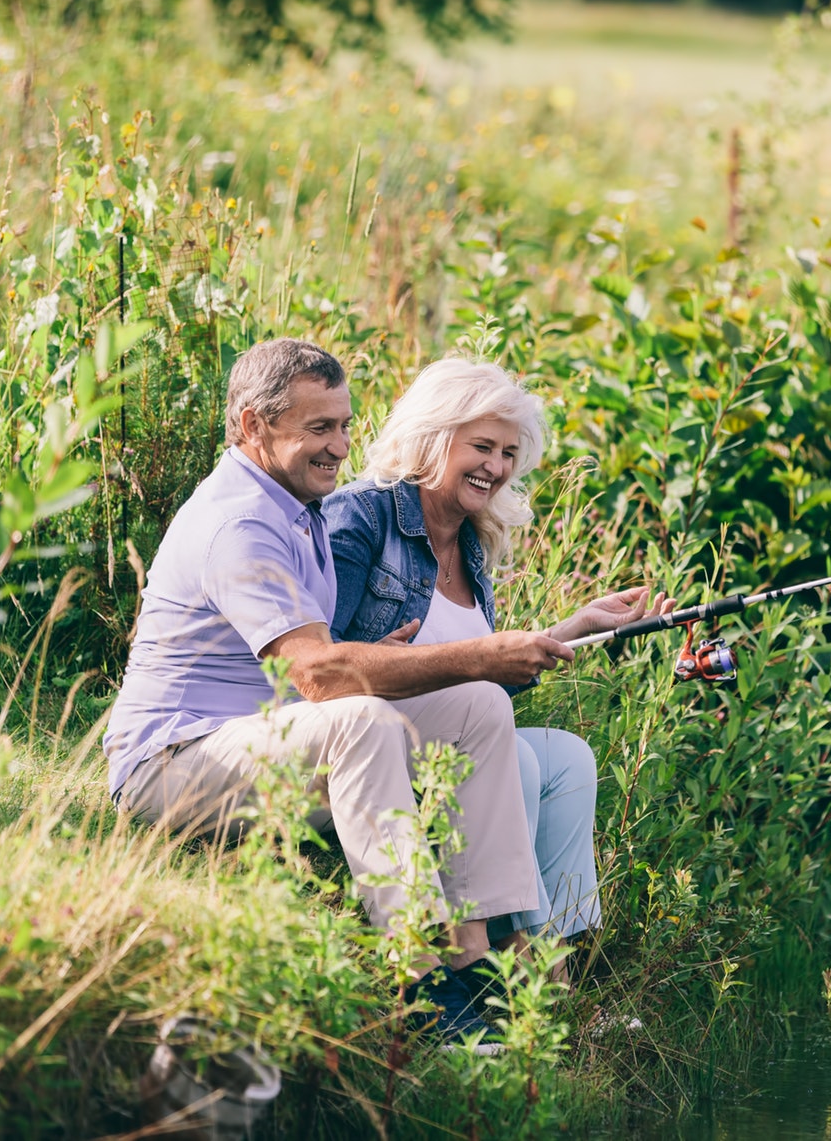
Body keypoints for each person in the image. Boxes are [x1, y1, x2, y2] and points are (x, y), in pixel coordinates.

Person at [102, 338, 576, 1050]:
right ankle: (421, 983)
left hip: (262, 737)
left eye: (345, 425)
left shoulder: (299, 506)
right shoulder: (241, 522)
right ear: (252, 425)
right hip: (172, 764)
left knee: (481, 704)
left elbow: (321, 659)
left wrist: (391, 665)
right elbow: (320, 674)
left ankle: (474, 954)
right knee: (362, 718)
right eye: (318, 428)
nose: (339, 446)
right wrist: (476, 653)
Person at [327, 357, 672, 962]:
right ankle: (498, 961)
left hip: (455, 742)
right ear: (434, 437)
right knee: (520, 758)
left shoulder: (468, 540)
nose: (496, 467)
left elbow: (483, 686)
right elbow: (312, 664)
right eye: (482, 446)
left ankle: (554, 951)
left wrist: (579, 626)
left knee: (567, 757)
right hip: (370, 741)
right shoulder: (363, 514)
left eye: (508, 453)